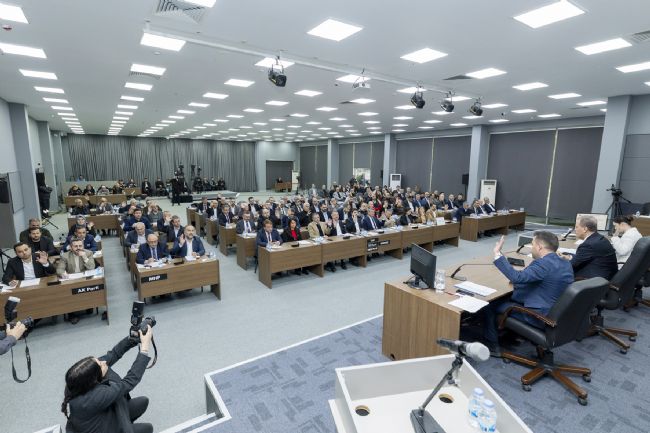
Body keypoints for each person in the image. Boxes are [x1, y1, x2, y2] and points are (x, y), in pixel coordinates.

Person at [484, 232, 574, 353]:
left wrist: (497, 254)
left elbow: (517, 278)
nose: (531, 248)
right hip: (557, 312)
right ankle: (511, 334)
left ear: (539, 247)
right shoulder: (565, 262)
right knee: (507, 298)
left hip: (540, 316)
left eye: (532, 245)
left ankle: (492, 344)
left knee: (490, 305)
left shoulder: (543, 264)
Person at [62, 328, 154, 433]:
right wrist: (144, 349)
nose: (104, 362)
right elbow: (129, 381)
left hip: (103, 416)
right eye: (101, 364)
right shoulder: (95, 397)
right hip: (105, 429)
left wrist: (132, 338)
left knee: (143, 401)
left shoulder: (81, 381)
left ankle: (127, 422)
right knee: (148, 428)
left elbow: (113, 354)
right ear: (94, 378)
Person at [562, 215, 618, 280]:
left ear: (585, 229)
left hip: (596, 279)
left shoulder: (588, 245)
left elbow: (573, 264)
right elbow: (580, 258)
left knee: (561, 271)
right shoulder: (600, 238)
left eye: (577, 227)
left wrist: (558, 259)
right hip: (607, 274)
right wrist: (568, 256)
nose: (575, 229)